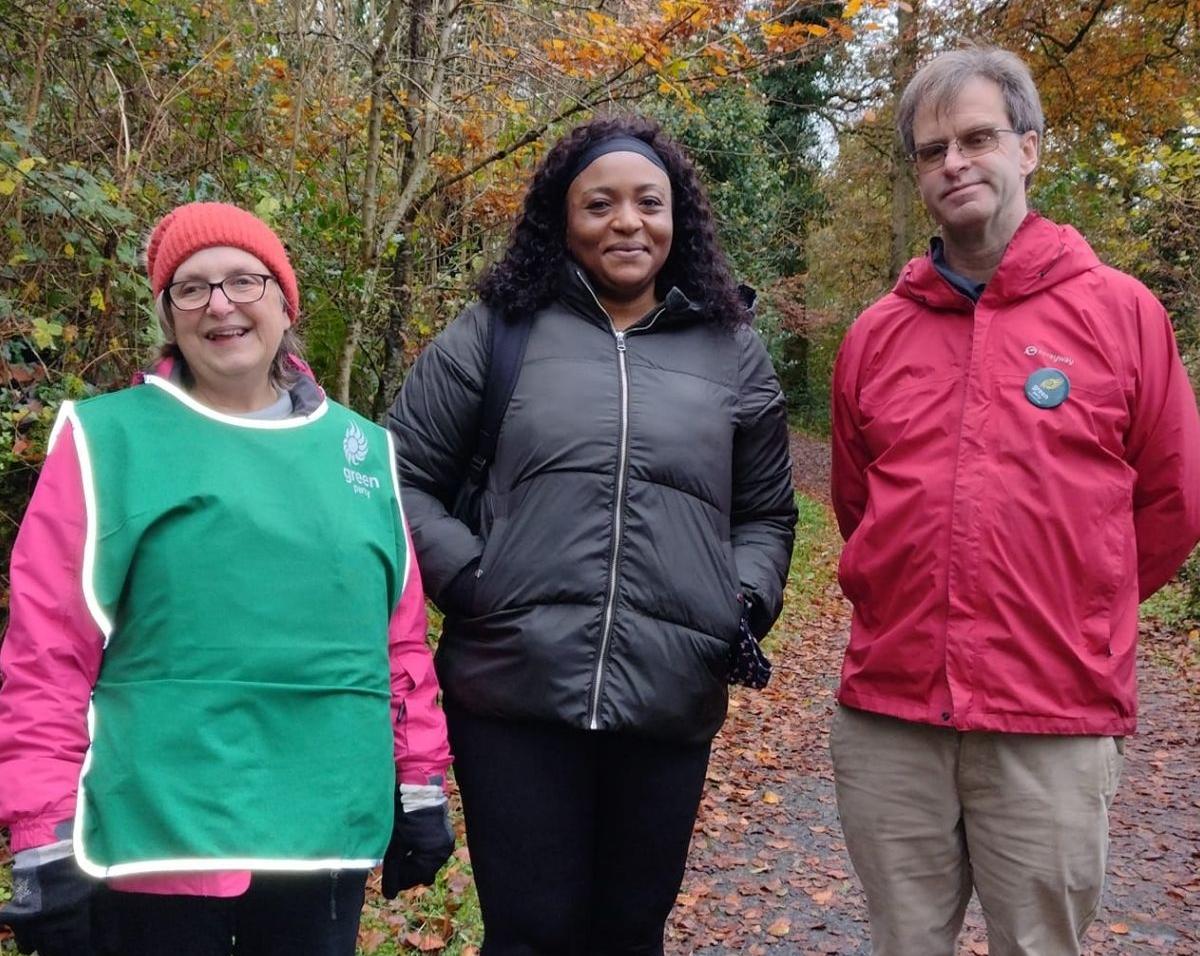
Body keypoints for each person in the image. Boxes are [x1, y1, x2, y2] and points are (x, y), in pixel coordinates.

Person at [0, 202, 455, 956]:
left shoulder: (363, 451)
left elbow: (397, 641)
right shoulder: (106, 440)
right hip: (157, 836)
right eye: (191, 287)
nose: (220, 304)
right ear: (168, 314)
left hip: (321, 829)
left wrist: (421, 781)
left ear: (283, 300)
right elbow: (46, 652)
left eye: (244, 280)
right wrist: (43, 831)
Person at [389, 115, 796, 954]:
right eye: (599, 203)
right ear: (561, 219)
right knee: (530, 931)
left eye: (649, 201)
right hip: (514, 689)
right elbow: (397, 478)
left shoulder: (732, 350)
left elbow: (765, 512)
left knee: (628, 930)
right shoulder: (496, 332)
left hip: (669, 692)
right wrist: (475, 581)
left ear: (677, 217)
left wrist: (741, 602)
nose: (627, 221)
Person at [830, 45, 1200, 956]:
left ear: (1029, 148)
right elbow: (857, 505)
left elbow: (1172, 504)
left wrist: (1079, 608)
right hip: (892, 719)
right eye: (930, 149)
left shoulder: (1121, 314)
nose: (953, 162)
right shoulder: (876, 335)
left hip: (1051, 715)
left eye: (978, 137)